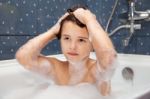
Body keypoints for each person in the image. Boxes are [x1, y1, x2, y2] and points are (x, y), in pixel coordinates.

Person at [16, 5, 117, 96]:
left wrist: (89, 19)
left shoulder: (96, 73)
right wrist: (54, 31)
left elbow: (109, 58)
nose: (72, 47)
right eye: (67, 38)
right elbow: (23, 57)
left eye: (81, 40)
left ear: (92, 44)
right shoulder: (56, 69)